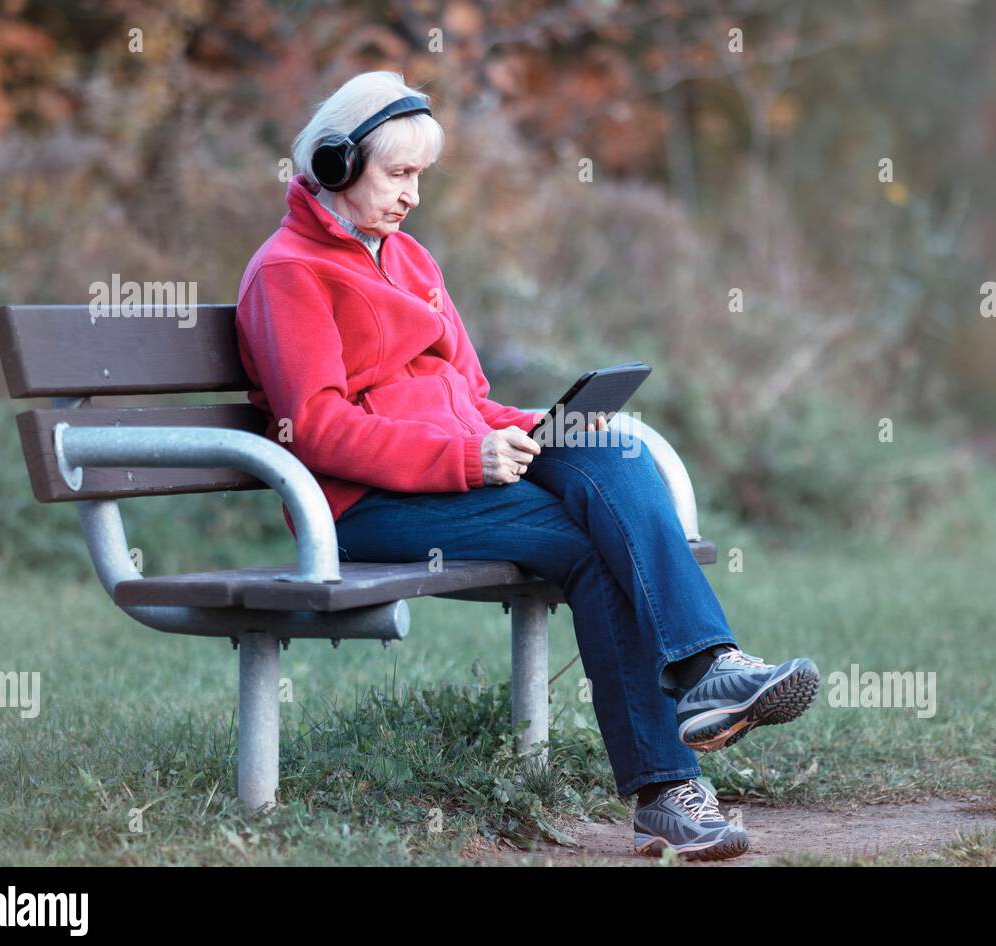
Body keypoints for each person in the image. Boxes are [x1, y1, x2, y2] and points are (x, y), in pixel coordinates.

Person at [234, 71, 819, 861]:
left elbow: (471, 395)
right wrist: (463, 458)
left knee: (610, 447)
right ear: (337, 164)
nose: (412, 196)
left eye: (421, 178)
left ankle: (714, 667)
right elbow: (317, 429)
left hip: (457, 472)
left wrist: (552, 428)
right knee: (590, 544)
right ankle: (665, 787)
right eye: (398, 174)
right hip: (365, 504)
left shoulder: (411, 261)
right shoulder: (289, 272)